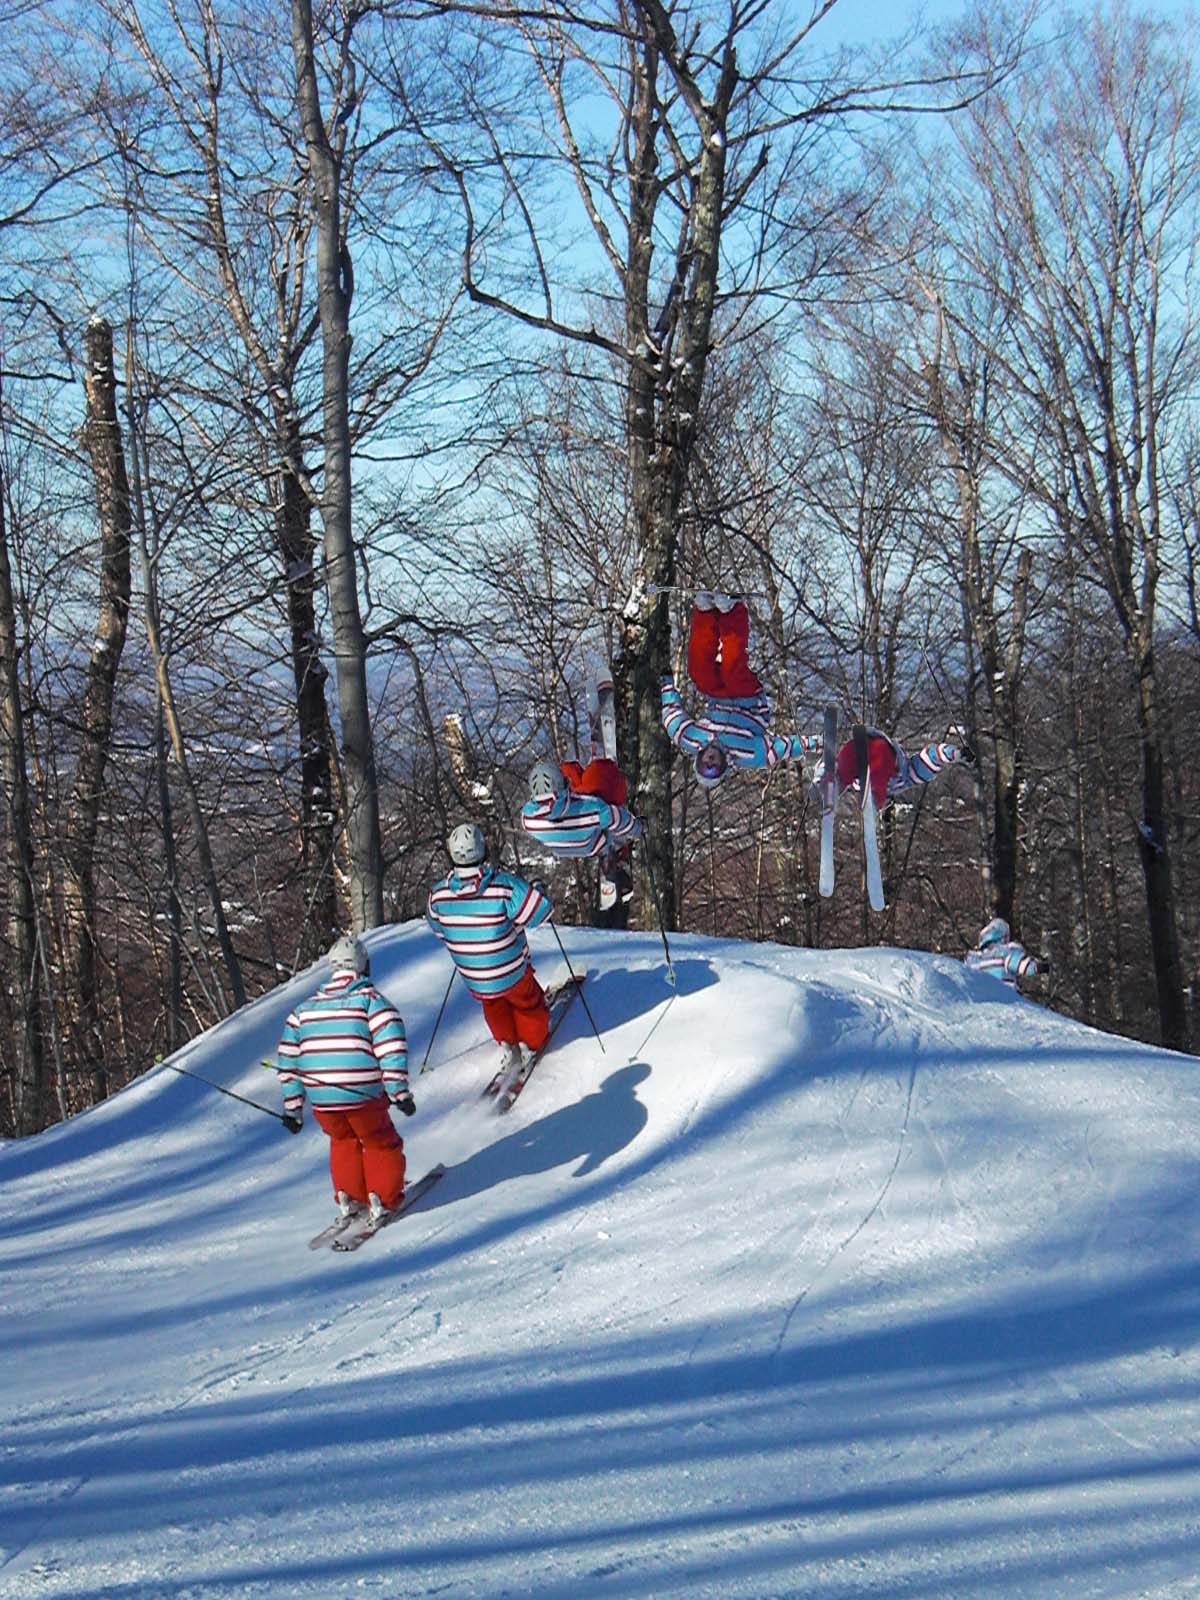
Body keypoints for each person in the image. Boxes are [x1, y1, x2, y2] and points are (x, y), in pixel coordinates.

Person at [274, 934, 414, 1226]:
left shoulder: (302, 1011)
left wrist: (293, 1109)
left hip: (323, 1099)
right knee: (380, 1142)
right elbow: (391, 1049)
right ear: (364, 966)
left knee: (342, 1140)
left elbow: (288, 1061)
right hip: (362, 1093)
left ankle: (348, 1196)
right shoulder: (371, 1002)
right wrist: (399, 1092)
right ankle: (383, 1197)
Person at [426, 821, 554, 1077]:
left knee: (493, 1004)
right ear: (483, 850)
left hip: (475, 978)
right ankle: (531, 1043)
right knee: (526, 1002)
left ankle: (507, 1044)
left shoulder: (438, 895)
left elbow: (438, 929)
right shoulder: (502, 886)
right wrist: (539, 891)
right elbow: (540, 911)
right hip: (511, 970)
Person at [661, 593, 820, 787]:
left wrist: (666, 684)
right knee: (731, 672)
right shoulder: (749, 754)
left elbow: (672, 719)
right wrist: (814, 743)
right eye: (714, 766)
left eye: (704, 764)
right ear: (724, 766)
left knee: (699, 674)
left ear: (698, 759)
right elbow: (782, 748)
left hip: (717, 698)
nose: (710, 761)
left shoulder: (692, 739)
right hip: (748, 702)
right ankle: (732, 612)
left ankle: (705, 613)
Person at [830, 727, 974, 811]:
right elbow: (930, 758)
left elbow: (929, 759)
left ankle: (829, 781)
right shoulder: (903, 777)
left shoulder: (903, 777)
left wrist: (953, 753)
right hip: (879, 755)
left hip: (879, 759)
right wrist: (954, 753)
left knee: (863, 778)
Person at [964, 917, 1046, 989]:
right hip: (1005, 993)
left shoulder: (974, 958)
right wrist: (1039, 967)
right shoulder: (1005, 952)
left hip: (981, 997)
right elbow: (1021, 965)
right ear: (1003, 937)